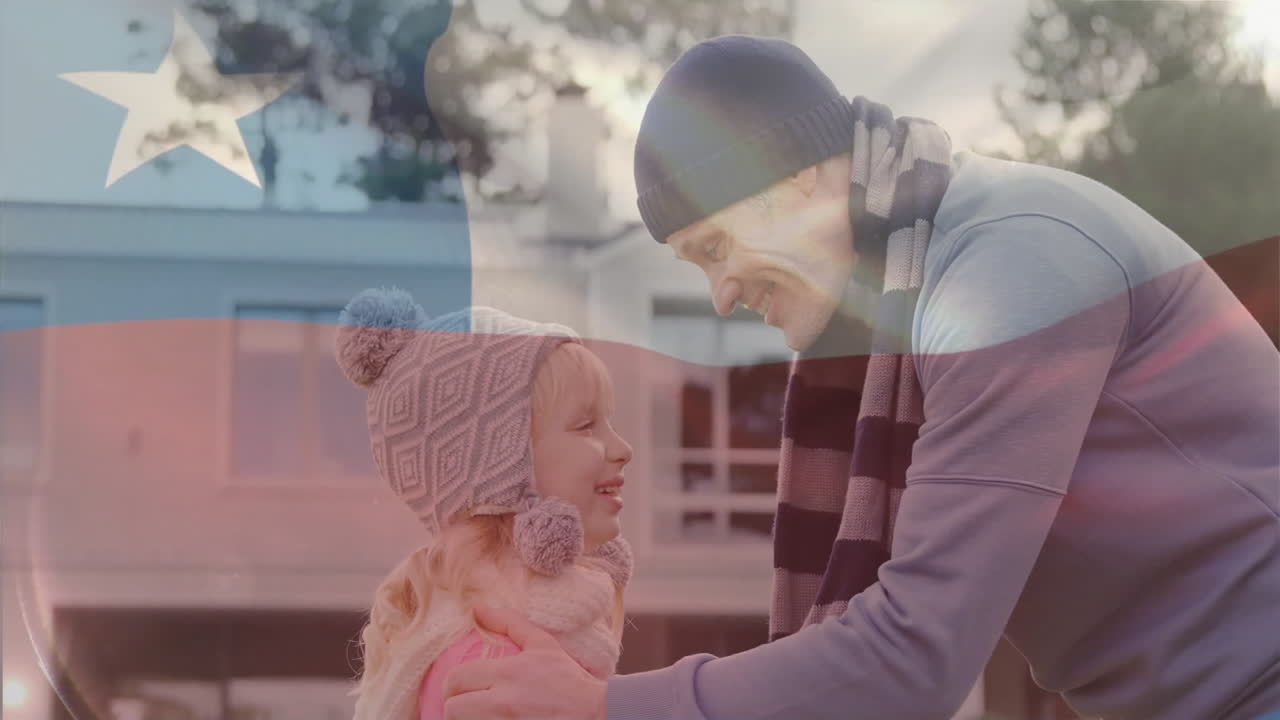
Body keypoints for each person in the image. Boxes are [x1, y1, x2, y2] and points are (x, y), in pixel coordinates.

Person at [443, 34, 1280, 720]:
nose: (723, 293)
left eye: (714, 247)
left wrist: (601, 709)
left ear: (798, 176)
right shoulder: (920, 287)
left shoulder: (1007, 275)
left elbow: (917, 656)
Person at [334, 288, 635, 720]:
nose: (622, 448)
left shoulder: (525, 642)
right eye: (586, 425)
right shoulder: (493, 669)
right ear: (500, 465)